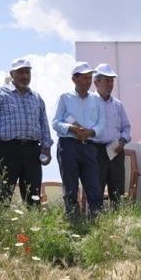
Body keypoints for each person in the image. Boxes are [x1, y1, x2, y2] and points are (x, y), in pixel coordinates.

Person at [0, 58, 53, 205]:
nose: (25, 76)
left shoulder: (37, 98)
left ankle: (33, 226)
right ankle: (0, 227)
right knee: (2, 196)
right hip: (7, 150)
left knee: (33, 197)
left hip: (32, 151)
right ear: (12, 74)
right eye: (20, 72)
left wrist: (46, 148)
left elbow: (44, 125)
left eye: (27, 72)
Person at [52, 61, 104, 219]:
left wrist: (90, 132)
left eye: (89, 78)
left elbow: (102, 125)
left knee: (94, 188)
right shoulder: (65, 97)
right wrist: (72, 128)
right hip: (68, 146)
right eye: (84, 78)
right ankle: (73, 223)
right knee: (71, 189)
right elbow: (55, 122)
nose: (88, 81)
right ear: (74, 79)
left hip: (88, 146)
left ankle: (97, 224)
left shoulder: (96, 99)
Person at [90, 63, 131, 205]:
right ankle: (95, 222)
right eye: (106, 80)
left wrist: (122, 141)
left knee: (117, 191)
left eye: (111, 80)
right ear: (96, 82)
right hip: (96, 150)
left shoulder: (118, 104)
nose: (110, 84)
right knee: (96, 191)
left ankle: (116, 223)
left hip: (116, 150)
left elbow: (126, 128)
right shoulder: (89, 102)